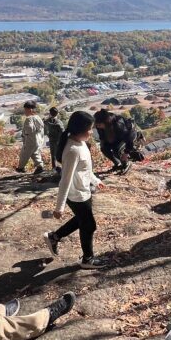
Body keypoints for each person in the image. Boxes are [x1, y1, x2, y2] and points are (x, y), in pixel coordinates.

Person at [45, 111, 107, 269]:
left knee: (82, 220)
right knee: (89, 225)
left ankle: (54, 237)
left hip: (84, 190)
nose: (91, 132)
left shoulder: (80, 144)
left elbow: (85, 169)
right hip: (77, 195)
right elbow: (65, 180)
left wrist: (96, 180)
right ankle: (88, 259)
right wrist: (59, 207)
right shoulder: (72, 150)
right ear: (80, 129)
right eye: (89, 128)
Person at [93, 109, 136, 174]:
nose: (97, 126)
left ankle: (125, 163)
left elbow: (129, 138)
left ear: (105, 122)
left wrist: (126, 153)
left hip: (129, 135)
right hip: (115, 137)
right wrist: (103, 144)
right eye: (97, 125)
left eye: (99, 124)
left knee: (117, 150)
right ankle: (118, 164)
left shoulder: (118, 124)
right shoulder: (100, 126)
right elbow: (102, 137)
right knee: (104, 148)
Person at [16, 101, 45, 174]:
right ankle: (40, 166)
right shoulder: (38, 117)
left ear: (30, 110)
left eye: (25, 110)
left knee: (24, 154)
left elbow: (29, 129)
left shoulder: (29, 118)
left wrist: (25, 134)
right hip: (38, 140)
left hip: (30, 140)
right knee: (35, 153)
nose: (25, 112)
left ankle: (20, 168)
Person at [44, 107, 65, 174]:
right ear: (57, 113)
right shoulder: (59, 122)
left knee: (53, 155)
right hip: (58, 140)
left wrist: (48, 135)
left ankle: (54, 168)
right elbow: (62, 131)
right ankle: (60, 169)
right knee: (59, 154)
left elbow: (45, 130)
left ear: (50, 113)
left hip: (51, 140)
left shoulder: (47, 121)